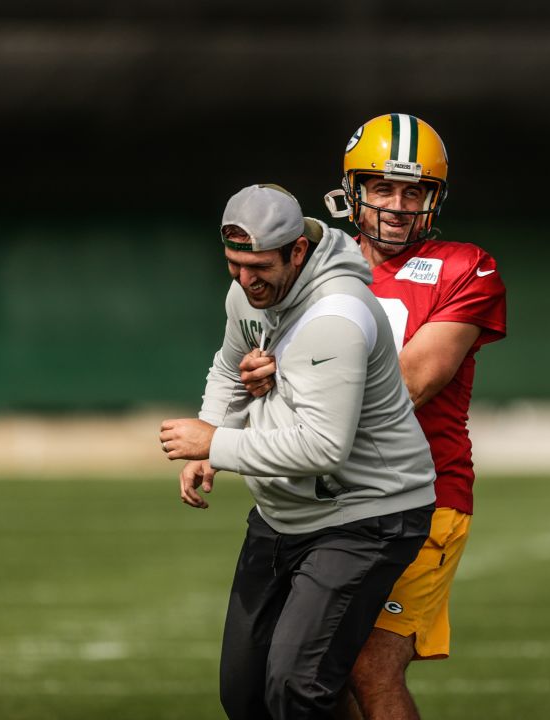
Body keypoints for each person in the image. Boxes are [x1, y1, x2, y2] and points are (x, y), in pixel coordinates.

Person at [240, 114, 507, 720]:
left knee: (367, 665)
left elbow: (412, 381)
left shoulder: (466, 267)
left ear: (433, 199)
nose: (395, 204)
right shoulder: (310, 268)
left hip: (422, 493)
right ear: (352, 190)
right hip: (323, 498)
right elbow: (255, 358)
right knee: (312, 676)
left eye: (413, 191)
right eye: (382, 188)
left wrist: (290, 387)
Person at [156, 183, 437, 720]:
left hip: (367, 516)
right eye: (234, 264)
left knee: (297, 684)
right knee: (245, 693)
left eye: (258, 265)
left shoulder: (336, 315)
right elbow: (227, 362)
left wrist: (215, 441)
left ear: (298, 252)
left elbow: (323, 446)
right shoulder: (246, 292)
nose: (244, 279)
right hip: (285, 515)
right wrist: (210, 432)